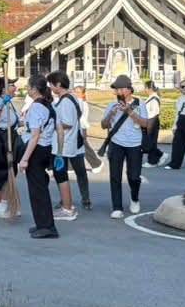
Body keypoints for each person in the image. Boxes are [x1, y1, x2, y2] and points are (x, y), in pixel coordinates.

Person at [100, 75, 150, 219]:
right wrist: (111, 114)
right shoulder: (112, 105)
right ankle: (117, 207)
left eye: (121, 89)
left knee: (134, 177)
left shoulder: (140, 104)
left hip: (135, 144)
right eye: (116, 89)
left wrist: (129, 112)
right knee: (115, 176)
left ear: (129, 89)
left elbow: (145, 124)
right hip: (116, 144)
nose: (118, 92)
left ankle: (134, 198)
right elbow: (104, 125)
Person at [16, 75, 58, 239]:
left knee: (38, 190)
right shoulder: (46, 105)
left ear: (34, 89)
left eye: (28, 86)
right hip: (44, 148)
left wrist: (25, 158)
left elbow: (34, 135)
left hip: (36, 149)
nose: (27, 89)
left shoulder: (37, 107)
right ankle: (42, 224)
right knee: (38, 188)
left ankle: (47, 226)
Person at [48, 71, 90, 217]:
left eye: (52, 84)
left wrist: (51, 125)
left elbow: (68, 123)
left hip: (63, 145)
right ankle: (67, 205)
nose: (51, 87)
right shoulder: (69, 98)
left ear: (58, 84)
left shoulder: (66, 101)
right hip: (65, 144)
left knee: (61, 175)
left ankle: (68, 208)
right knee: (61, 175)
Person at [0, 78, 21, 219]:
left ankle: (5, 203)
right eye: (12, 85)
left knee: (11, 170)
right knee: (1, 171)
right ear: (4, 88)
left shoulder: (11, 103)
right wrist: (2, 103)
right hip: (0, 140)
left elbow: (15, 120)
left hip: (10, 138)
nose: (15, 87)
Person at [140, 78, 165, 165]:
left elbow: (154, 113)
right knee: (150, 142)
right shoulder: (151, 97)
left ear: (149, 88)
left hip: (152, 122)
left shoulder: (154, 99)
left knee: (150, 142)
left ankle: (152, 162)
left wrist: (148, 125)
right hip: (150, 122)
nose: (144, 90)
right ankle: (160, 155)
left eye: (145, 88)